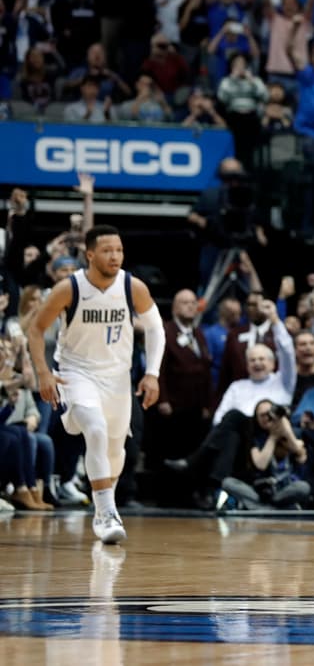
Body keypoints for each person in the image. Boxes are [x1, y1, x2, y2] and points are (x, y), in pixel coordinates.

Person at [27, 225, 165, 544]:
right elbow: (36, 329)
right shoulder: (68, 288)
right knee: (96, 429)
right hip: (76, 372)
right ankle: (105, 513)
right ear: (89, 255)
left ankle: (106, 505)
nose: (115, 255)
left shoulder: (133, 286)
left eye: (119, 250)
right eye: (107, 250)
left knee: (115, 449)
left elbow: (156, 328)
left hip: (117, 378)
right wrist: (44, 373)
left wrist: (153, 373)